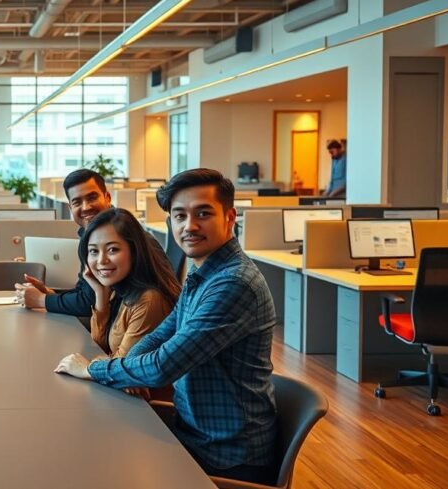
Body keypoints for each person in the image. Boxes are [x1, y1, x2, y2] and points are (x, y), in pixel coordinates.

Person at [55, 169, 278, 484]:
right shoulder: (205, 273)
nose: (189, 226)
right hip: (194, 434)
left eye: (203, 213)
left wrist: (94, 369)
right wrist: (124, 363)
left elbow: (163, 365)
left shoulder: (233, 283)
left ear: (229, 217)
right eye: (179, 215)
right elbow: (163, 335)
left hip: (226, 455)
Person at [15, 169, 168, 319]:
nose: (86, 207)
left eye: (92, 198)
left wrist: (41, 300)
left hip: (133, 325)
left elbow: (88, 303)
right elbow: (86, 293)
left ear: (107, 197)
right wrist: (49, 293)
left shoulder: (126, 235)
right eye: (77, 202)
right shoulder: (90, 235)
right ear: (70, 208)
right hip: (110, 326)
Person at [75, 208, 179, 358]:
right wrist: (100, 295)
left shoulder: (149, 300)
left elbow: (121, 370)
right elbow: (99, 345)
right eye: (94, 251)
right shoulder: (121, 288)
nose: (101, 261)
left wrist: (86, 367)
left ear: (134, 251)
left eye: (112, 249)